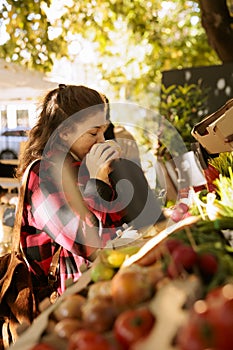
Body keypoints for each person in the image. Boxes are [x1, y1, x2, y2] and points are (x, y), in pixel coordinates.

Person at [16, 84, 128, 302]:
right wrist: (98, 184)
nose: (102, 141)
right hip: (66, 300)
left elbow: (121, 222)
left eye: (103, 131)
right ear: (65, 132)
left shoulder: (82, 166)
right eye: (93, 132)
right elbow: (90, 244)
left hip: (104, 284)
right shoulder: (43, 177)